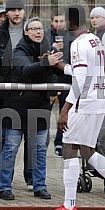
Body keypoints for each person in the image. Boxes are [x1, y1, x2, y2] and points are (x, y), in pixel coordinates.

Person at [44, 5, 105, 210]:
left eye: (65, 22)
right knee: (87, 150)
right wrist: (60, 65)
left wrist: (65, 109)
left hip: (83, 104)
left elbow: (81, 79)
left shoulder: (77, 43)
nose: (63, 26)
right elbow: (83, 71)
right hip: (98, 102)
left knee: (69, 148)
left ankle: (69, 204)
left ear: (71, 23)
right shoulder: (96, 41)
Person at [0, 17, 63, 201]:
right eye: (33, 29)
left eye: (40, 28)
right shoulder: (19, 50)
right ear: (26, 32)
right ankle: (3, 187)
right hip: (16, 108)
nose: (38, 32)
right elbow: (25, 70)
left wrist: (59, 65)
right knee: (10, 149)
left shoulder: (48, 51)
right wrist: (46, 63)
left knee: (40, 149)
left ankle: (39, 186)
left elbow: (56, 74)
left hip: (40, 108)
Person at [0, 0, 33, 191]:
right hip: (4, 94)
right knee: (5, 139)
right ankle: (2, 177)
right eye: (12, 10)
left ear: (24, 11)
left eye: (19, 9)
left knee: (32, 139)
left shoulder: (32, 31)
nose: (16, 13)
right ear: (7, 12)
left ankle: (31, 178)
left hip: (30, 94)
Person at [44, 8, 73, 157]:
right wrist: (53, 49)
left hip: (66, 80)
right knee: (45, 113)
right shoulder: (44, 35)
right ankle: (43, 144)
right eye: (56, 21)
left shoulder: (71, 36)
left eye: (62, 21)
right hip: (49, 80)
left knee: (64, 112)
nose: (59, 24)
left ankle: (60, 143)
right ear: (51, 22)